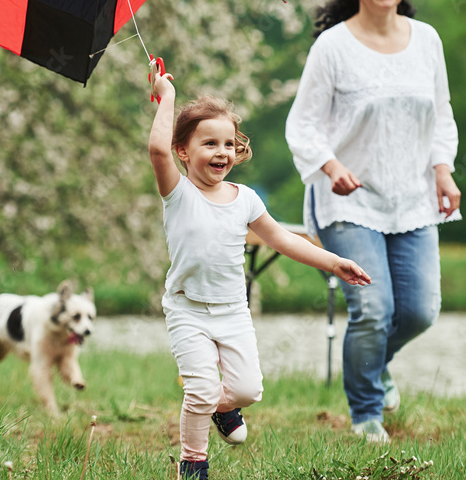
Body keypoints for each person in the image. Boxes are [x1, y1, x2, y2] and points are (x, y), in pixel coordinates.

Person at [149, 64, 371, 479]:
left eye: (229, 144)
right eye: (209, 143)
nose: (221, 153)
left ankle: (225, 407)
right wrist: (167, 95)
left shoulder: (245, 199)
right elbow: (157, 151)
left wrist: (333, 261)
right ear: (184, 151)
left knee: (248, 389)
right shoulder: (177, 193)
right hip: (187, 310)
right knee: (198, 389)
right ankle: (193, 461)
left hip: (233, 310)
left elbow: (284, 240)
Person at [285, 0, 462, 444]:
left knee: (419, 310)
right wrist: (330, 165)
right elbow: (303, 125)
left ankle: (375, 367)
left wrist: (443, 169)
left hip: (413, 198)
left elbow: (442, 117)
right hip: (348, 202)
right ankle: (366, 414)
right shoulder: (333, 47)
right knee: (372, 307)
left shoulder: (426, 40)